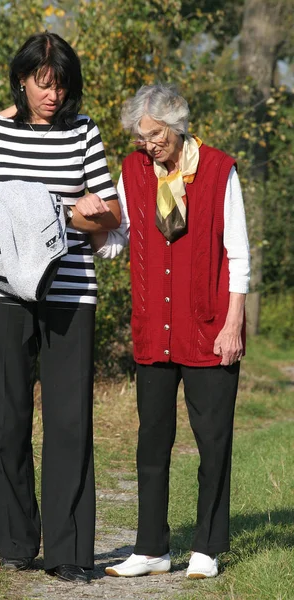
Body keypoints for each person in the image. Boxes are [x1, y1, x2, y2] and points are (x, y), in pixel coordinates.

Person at [0, 31, 120, 584]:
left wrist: (84, 213)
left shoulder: (84, 130)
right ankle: (17, 543)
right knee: (11, 419)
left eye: (62, 85)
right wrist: (33, 220)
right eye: (43, 84)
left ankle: (69, 551)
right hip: (2, 291)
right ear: (22, 79)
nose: (53, 95)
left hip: (71, 289)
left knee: (70, 421)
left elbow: (108, 214)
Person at [93, 83, 250, 579]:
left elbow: (239, 254)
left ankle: (206, 547)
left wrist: (232, 324)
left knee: (213, 439)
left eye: (156, 135)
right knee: (152, 441)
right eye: (142, 137)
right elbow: (119, 241)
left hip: (208, 329)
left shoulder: (219, 170)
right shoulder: (133, 171)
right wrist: (92, 223)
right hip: (153, 331)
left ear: (177, 126)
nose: (148, 145)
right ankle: (151, 548)